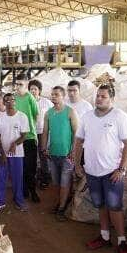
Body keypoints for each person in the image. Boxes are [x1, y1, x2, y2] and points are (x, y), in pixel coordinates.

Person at [74, 83, 127, 253]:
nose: (99, 99)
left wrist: (121, 168)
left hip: (111, 172)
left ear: (112, 99)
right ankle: (105, 236)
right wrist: (77, 164)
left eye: (103, 96)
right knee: (100, 205)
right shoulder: (86, 117)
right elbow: (79, 141)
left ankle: (122, 241)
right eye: (98, 96)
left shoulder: (120, 117)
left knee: (115, 207)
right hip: (92, 171)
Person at [41, 86, 78, 221]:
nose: (53, 96)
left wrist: (73, 151)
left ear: (63, 96)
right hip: (53, 154)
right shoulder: (48, 113)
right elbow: (45, 132)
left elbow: (76, 133)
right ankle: (60, 203)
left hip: (67, 155)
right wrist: (44, 148)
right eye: (52, 94)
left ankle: (62, 208)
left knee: (64, 183)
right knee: (56, 183)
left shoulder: (70, 112)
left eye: (56, 94)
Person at [0, 93, 29, 212]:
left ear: (15, 101)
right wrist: (2, 154)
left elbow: (24, 135)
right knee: (1, 178)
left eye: (12, 100)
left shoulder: (22, 116)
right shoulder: (0, 118)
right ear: (3, 102)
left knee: (17, 178)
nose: (9, 102)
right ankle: (0, 201)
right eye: (6, 100)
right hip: (2, 154)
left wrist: (14, 144)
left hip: (17, 154)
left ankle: (19, 201)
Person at [12, 79, 39, 202]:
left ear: (26, 85)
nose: (18, 86)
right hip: (17, 137)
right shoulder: (13, 98)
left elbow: (35, 115)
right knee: (20, 165)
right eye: (17, 84)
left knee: (31, 166)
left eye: (21, 84)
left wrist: (29, 127)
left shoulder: (30, 98)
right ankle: (23, 191)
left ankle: (33, 190)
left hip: (29, 137)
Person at [29, 79, 53, 189]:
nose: (33, 91)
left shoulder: (46, 102)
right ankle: (33, 177)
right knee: (32, 156)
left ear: (39, 90)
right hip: (31, 133)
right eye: (31, 89)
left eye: (35, 89)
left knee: (43, 155)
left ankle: (45, 177)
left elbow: (53, 114)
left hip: (43, 133)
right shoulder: (27, 102)